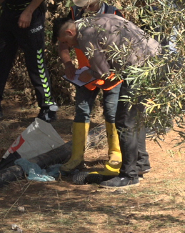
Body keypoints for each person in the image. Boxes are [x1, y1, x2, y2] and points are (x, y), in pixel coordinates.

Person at [56, 14, 161, 187]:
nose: (68, 46)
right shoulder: (95, 21)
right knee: (135, 118)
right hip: (152, 60)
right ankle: (140, 164)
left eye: (65, 42)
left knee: (124, 120)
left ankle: (129, 175)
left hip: (139, 67)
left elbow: (102, 71)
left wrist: (88, 73)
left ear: (69, 32)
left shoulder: (85, 34)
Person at [53, 0, 126, 182]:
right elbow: (62, 41)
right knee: (81, 110)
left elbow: (122, 45)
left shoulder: (114, 13)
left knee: (112, 112)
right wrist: (68, 64)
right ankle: (77, 158)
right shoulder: (74, 14)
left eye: (90, 4)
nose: (86, 9)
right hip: (86, 75)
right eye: (83, 5)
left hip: (110, 74)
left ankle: (115, 155)